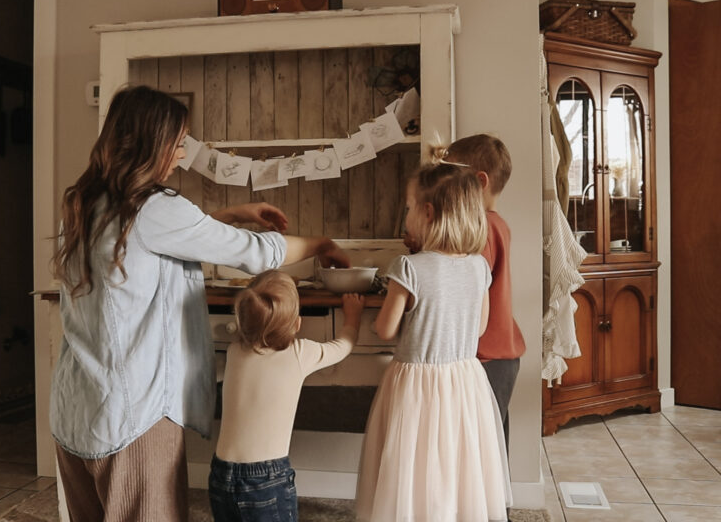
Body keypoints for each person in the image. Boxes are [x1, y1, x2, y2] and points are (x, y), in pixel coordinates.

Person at [50, 85, 349, 522]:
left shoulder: (81, 201)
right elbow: (257, 253)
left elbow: (159, 239)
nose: (182, 152)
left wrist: (230, 214)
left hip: (76, 411)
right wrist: (322, 243)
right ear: (153, 142)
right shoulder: (154, 208)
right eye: (179, 140)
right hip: (132, 418)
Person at [357, 162, 512, 521]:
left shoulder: (409, 268)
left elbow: (385, 330)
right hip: (464, 381)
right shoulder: (478, 267)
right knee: (459, 462)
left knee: (412, 462)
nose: (406, 214)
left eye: (409, 207)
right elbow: (478, 328)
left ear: (427, 212)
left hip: (416, 384)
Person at [209, 271, 364, 521]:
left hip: (220, 475)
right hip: (266, 479)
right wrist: (353, 317)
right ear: (297, 324)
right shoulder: (300, 353)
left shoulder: (234, 350)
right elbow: (343, 346)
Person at [443, 133, 524, 447]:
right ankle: (494, 498)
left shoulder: (482, 227)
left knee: (480, 445)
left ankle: (487, 498)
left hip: (487, 355)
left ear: (479, 182)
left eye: (449, 180)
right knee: (491, 440)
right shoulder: (494, 223)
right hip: (499, 353)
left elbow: (468, 287)